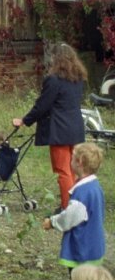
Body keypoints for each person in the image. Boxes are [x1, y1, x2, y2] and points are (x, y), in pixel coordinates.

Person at [12, 43, 87, 210]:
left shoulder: (53, 80)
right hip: (76, 127)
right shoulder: (78, 78)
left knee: (63, 171)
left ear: (56, 58)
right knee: (75, 169)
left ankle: (68, 208)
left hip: (60, 130)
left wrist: (24, 120)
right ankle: (79, 204)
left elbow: (42, 106)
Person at [43, 143, 105, 269]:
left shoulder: (82, 192)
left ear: (79, 162)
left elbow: (70, 217)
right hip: (95, 245)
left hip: (83, 250)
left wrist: (52, 222)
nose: (70, 160)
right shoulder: (95, 186)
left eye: (72, 157)